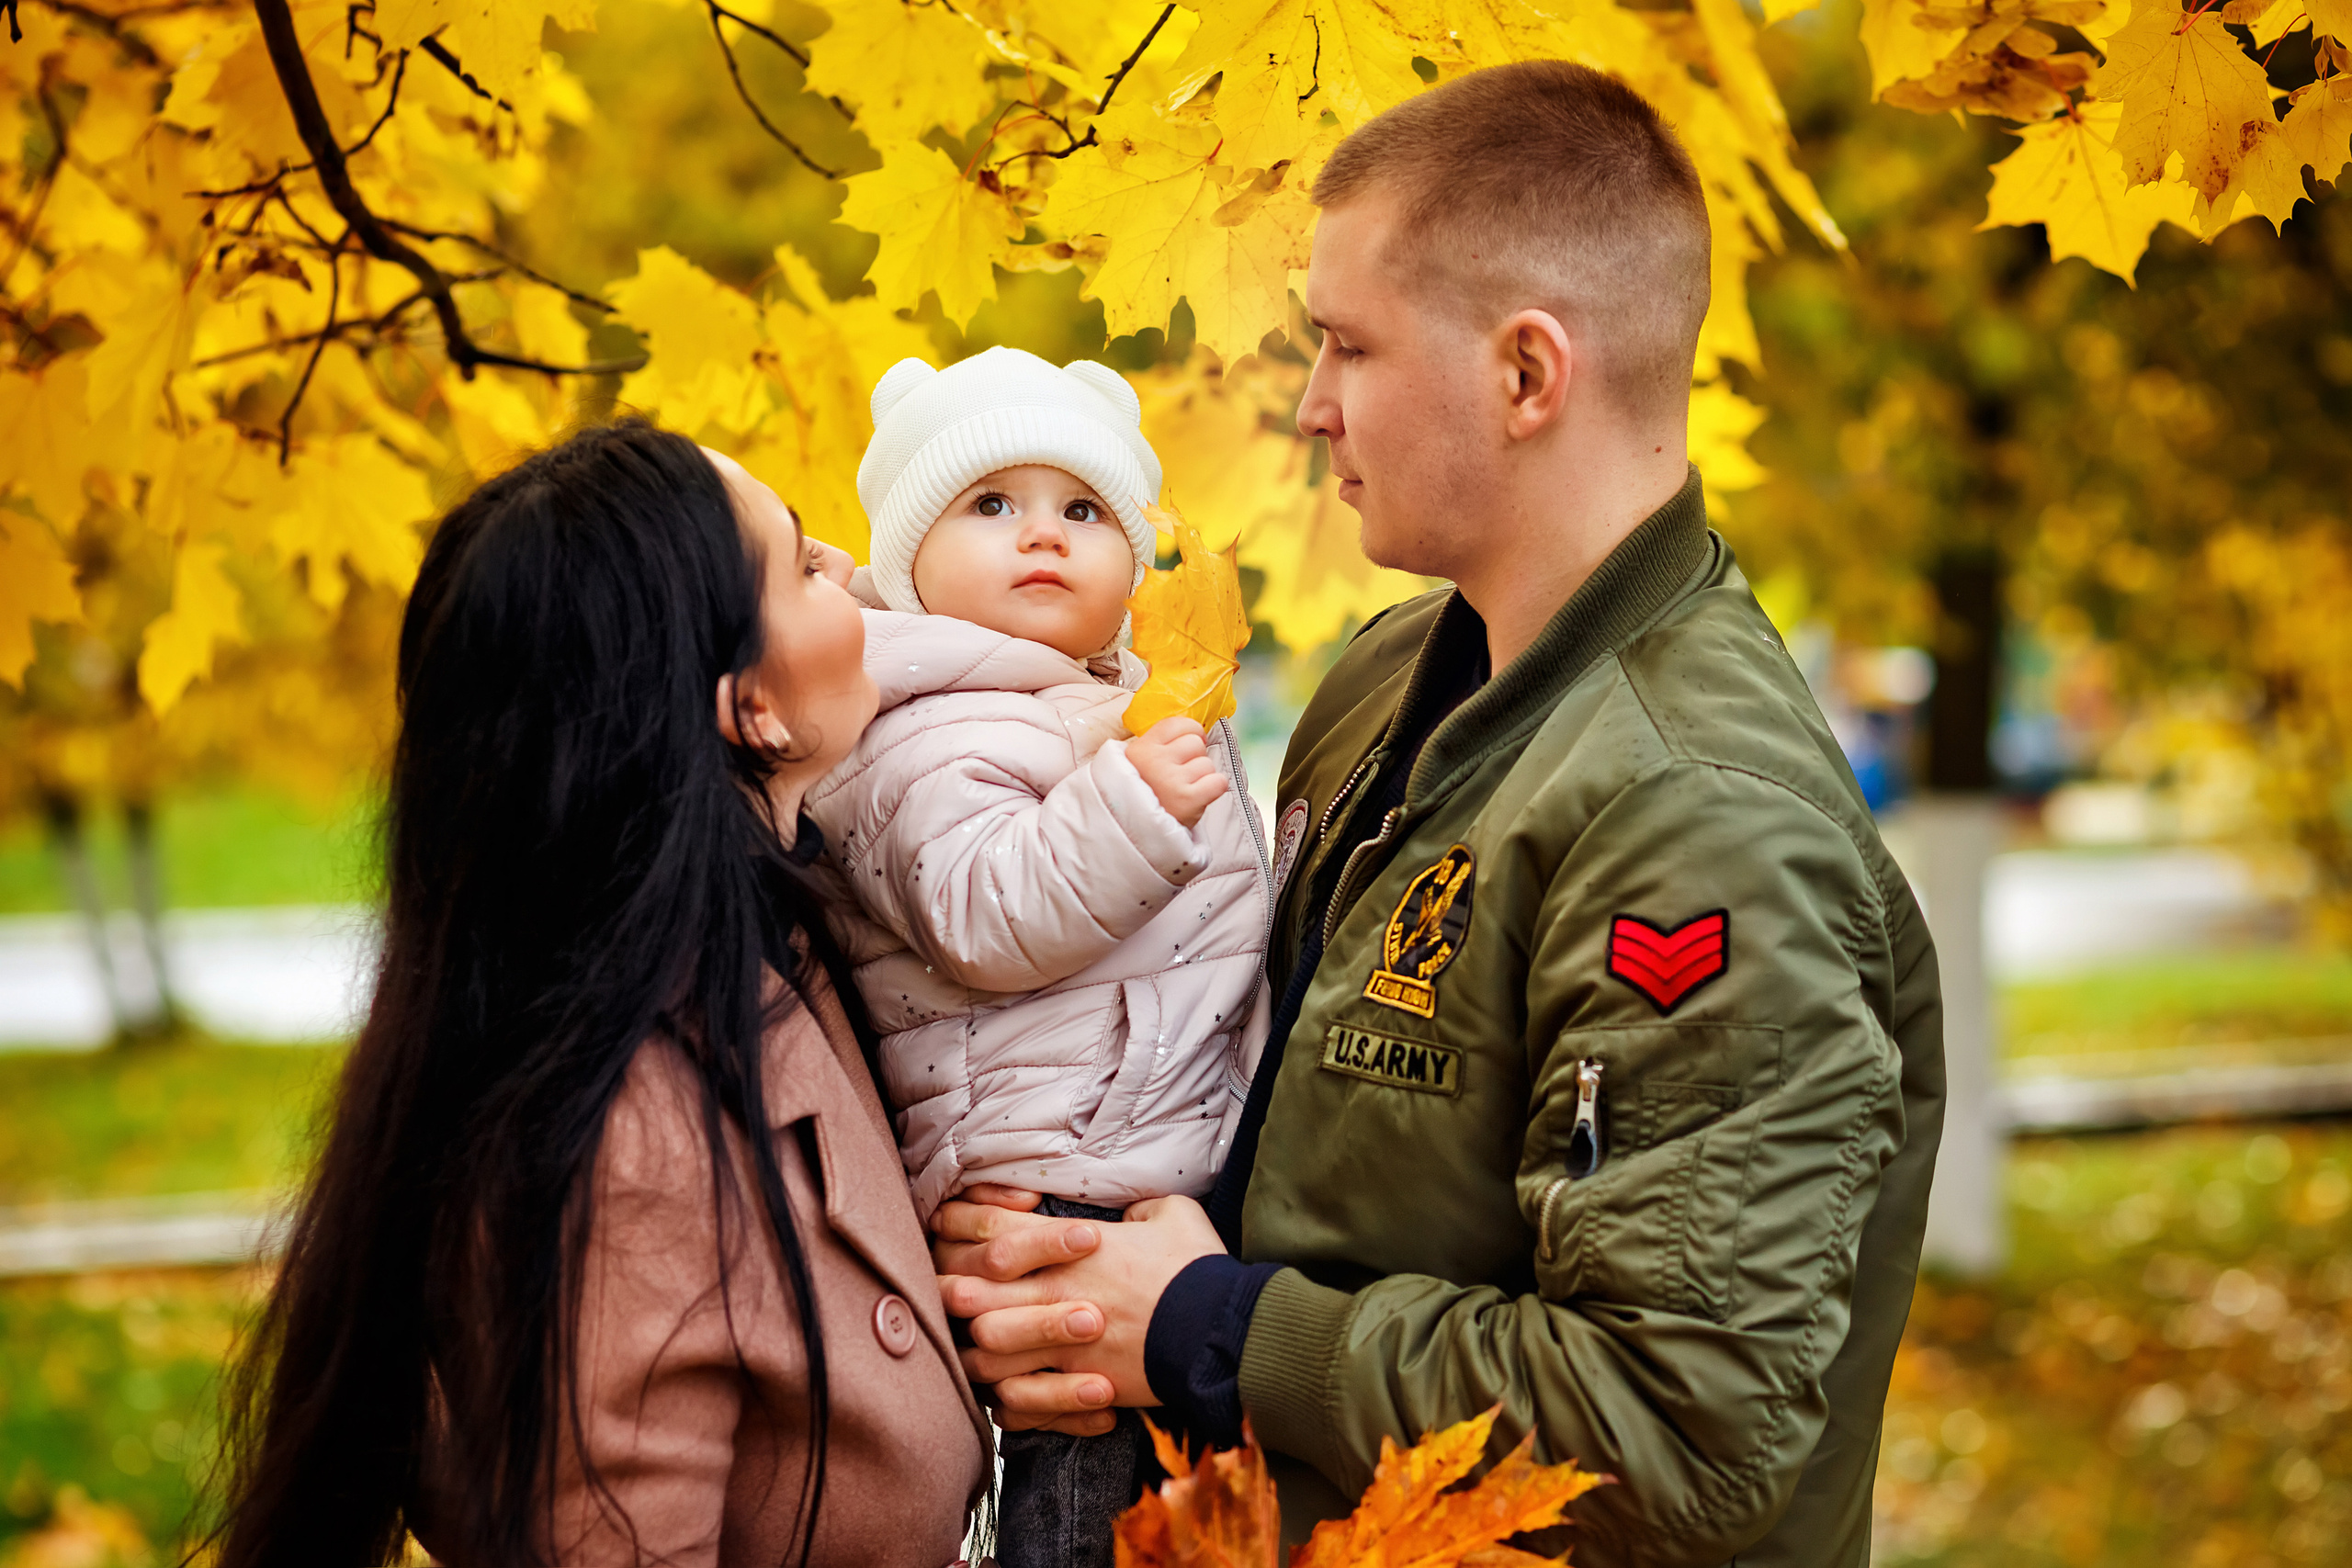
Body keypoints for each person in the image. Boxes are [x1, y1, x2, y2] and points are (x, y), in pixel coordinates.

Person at [929, 60, 1945, 1568]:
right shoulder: (1387, 679)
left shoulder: (1699, 821)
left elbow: (1686, 1431)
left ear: (1527, 375)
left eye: (1348, 346)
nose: (1312, 404)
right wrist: (1067, 1233)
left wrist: (1213, 1329)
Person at [211, 421, 990, 1568]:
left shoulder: (778, 948)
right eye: (802, 563)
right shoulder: (627, 1147)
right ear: (751, 709)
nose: (845, 563)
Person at [807, 347, 1272, 1568]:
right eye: (991, 504)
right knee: (1079, 1471)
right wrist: (1129, 805)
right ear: (908, 557)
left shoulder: (1110, 699)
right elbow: (981, 906)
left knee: (1171, 1496)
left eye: (1082, 509)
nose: (1043, 536)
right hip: (1048, 1170)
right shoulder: (918, 724)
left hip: (1143, 1146)